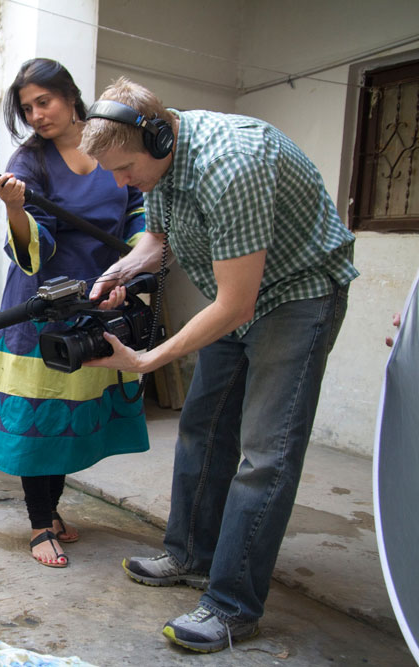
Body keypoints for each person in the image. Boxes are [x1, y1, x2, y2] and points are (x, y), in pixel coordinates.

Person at [79, 77, 358, 652]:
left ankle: (233, 605)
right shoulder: (159, 156)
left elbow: (237, 304)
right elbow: (156, 241)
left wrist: (149, 358)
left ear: (156, 139)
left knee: (264, 454)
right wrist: (118, 273)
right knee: (203, 427)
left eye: (125, 169)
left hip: (298, 295)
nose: (120, 182)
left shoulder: (232, 165)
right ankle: (188, 554)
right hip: (241, 296)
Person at [0, 59, 150, 569]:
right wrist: (16, 210)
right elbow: (33, 249)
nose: (37, 115)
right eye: (27, 108)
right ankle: (40, 523)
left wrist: (129, 273)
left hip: (98, 299)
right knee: (42, 413)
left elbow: (137, 213)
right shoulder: (29, 163)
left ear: (70, 97)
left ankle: (55, 511)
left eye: (44, 101)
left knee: (70, 412)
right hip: (42, 306)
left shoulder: (111, 144)